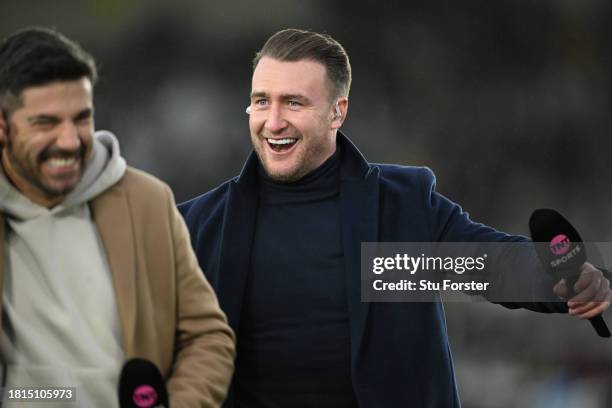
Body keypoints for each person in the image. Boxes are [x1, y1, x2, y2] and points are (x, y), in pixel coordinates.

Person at [179, 29, 612, 407]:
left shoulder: (401, 209)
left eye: (293, 103)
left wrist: (565, 280)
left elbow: (488, 263)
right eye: (261, 102)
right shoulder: (195, 228)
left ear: (337, 111)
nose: (274, 121)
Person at [0, 27, 235, 407]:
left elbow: (206, 335)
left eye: (81, 119)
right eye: (46, 123)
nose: (69, 141)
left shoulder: (147, 203)